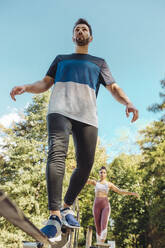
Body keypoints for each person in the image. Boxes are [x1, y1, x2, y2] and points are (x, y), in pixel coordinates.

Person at [10, 18, 139, 242]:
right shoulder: (61, 59)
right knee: (56, 155)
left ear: (90, 37)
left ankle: (67, 207)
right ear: (73, 37)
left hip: (87, 115)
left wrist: (128, 102)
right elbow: (45, 83)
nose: (80, 31)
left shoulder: (99, 62)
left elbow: (113, 87)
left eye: (84, 29)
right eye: (77, 29)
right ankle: (54, 216)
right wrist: (27, 88)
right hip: (59, 110)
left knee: (86, 164)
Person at [87, 166, 139, 244]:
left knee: (103, 225)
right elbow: (84, 180)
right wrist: (77, 170)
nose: (102, 174)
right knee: (97, 227)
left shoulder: (109, 184)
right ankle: (99, 244)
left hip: (105, 205)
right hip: (96, 206)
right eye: (101, 172)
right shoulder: (95, 182)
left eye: (104, 172)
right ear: (99, 173)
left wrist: (132, 193)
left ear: (106, 174)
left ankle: (101, 243)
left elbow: (120, 191)